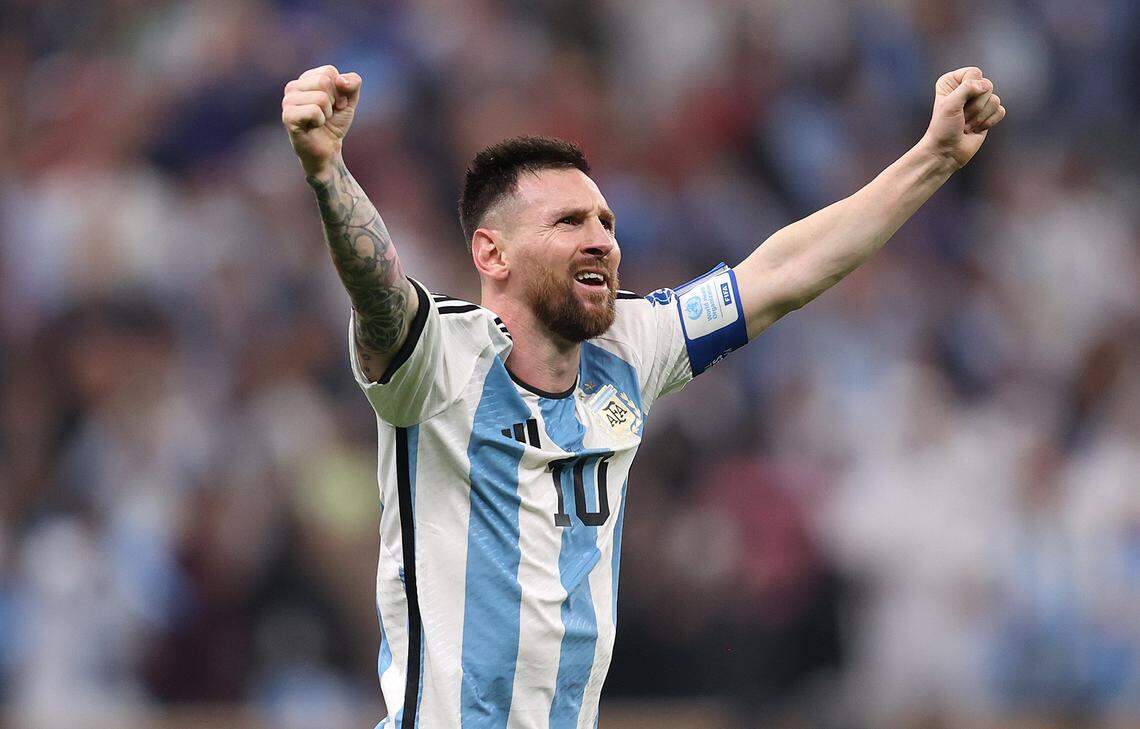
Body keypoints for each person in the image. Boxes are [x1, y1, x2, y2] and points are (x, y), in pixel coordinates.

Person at [280, 63, 1005, 728]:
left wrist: (933, 157)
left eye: (606, 222)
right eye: (569, 222)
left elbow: (786, 270)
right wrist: (327, 170)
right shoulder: (438, 361)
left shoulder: (633, 343)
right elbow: (379, 292)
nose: (601, 238)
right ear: (491, 253)